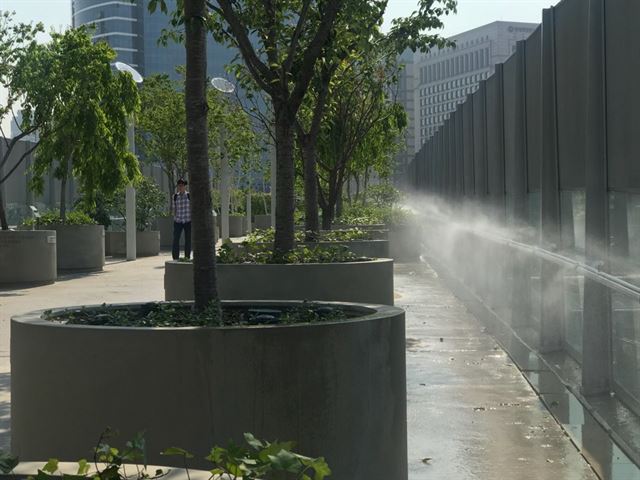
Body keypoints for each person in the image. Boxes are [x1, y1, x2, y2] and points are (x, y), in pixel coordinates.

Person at [172, 178, 191, 260]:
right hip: (178, 221)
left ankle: (187, 257)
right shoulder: (175, 196)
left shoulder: (189, 196)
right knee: (175, 240)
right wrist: (175, 216)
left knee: (188, 240)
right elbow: (173, 209)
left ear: (185, 186)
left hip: (188, 221)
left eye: (182, 185)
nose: (180, 187)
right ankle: (175, 258)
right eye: (179, 185)